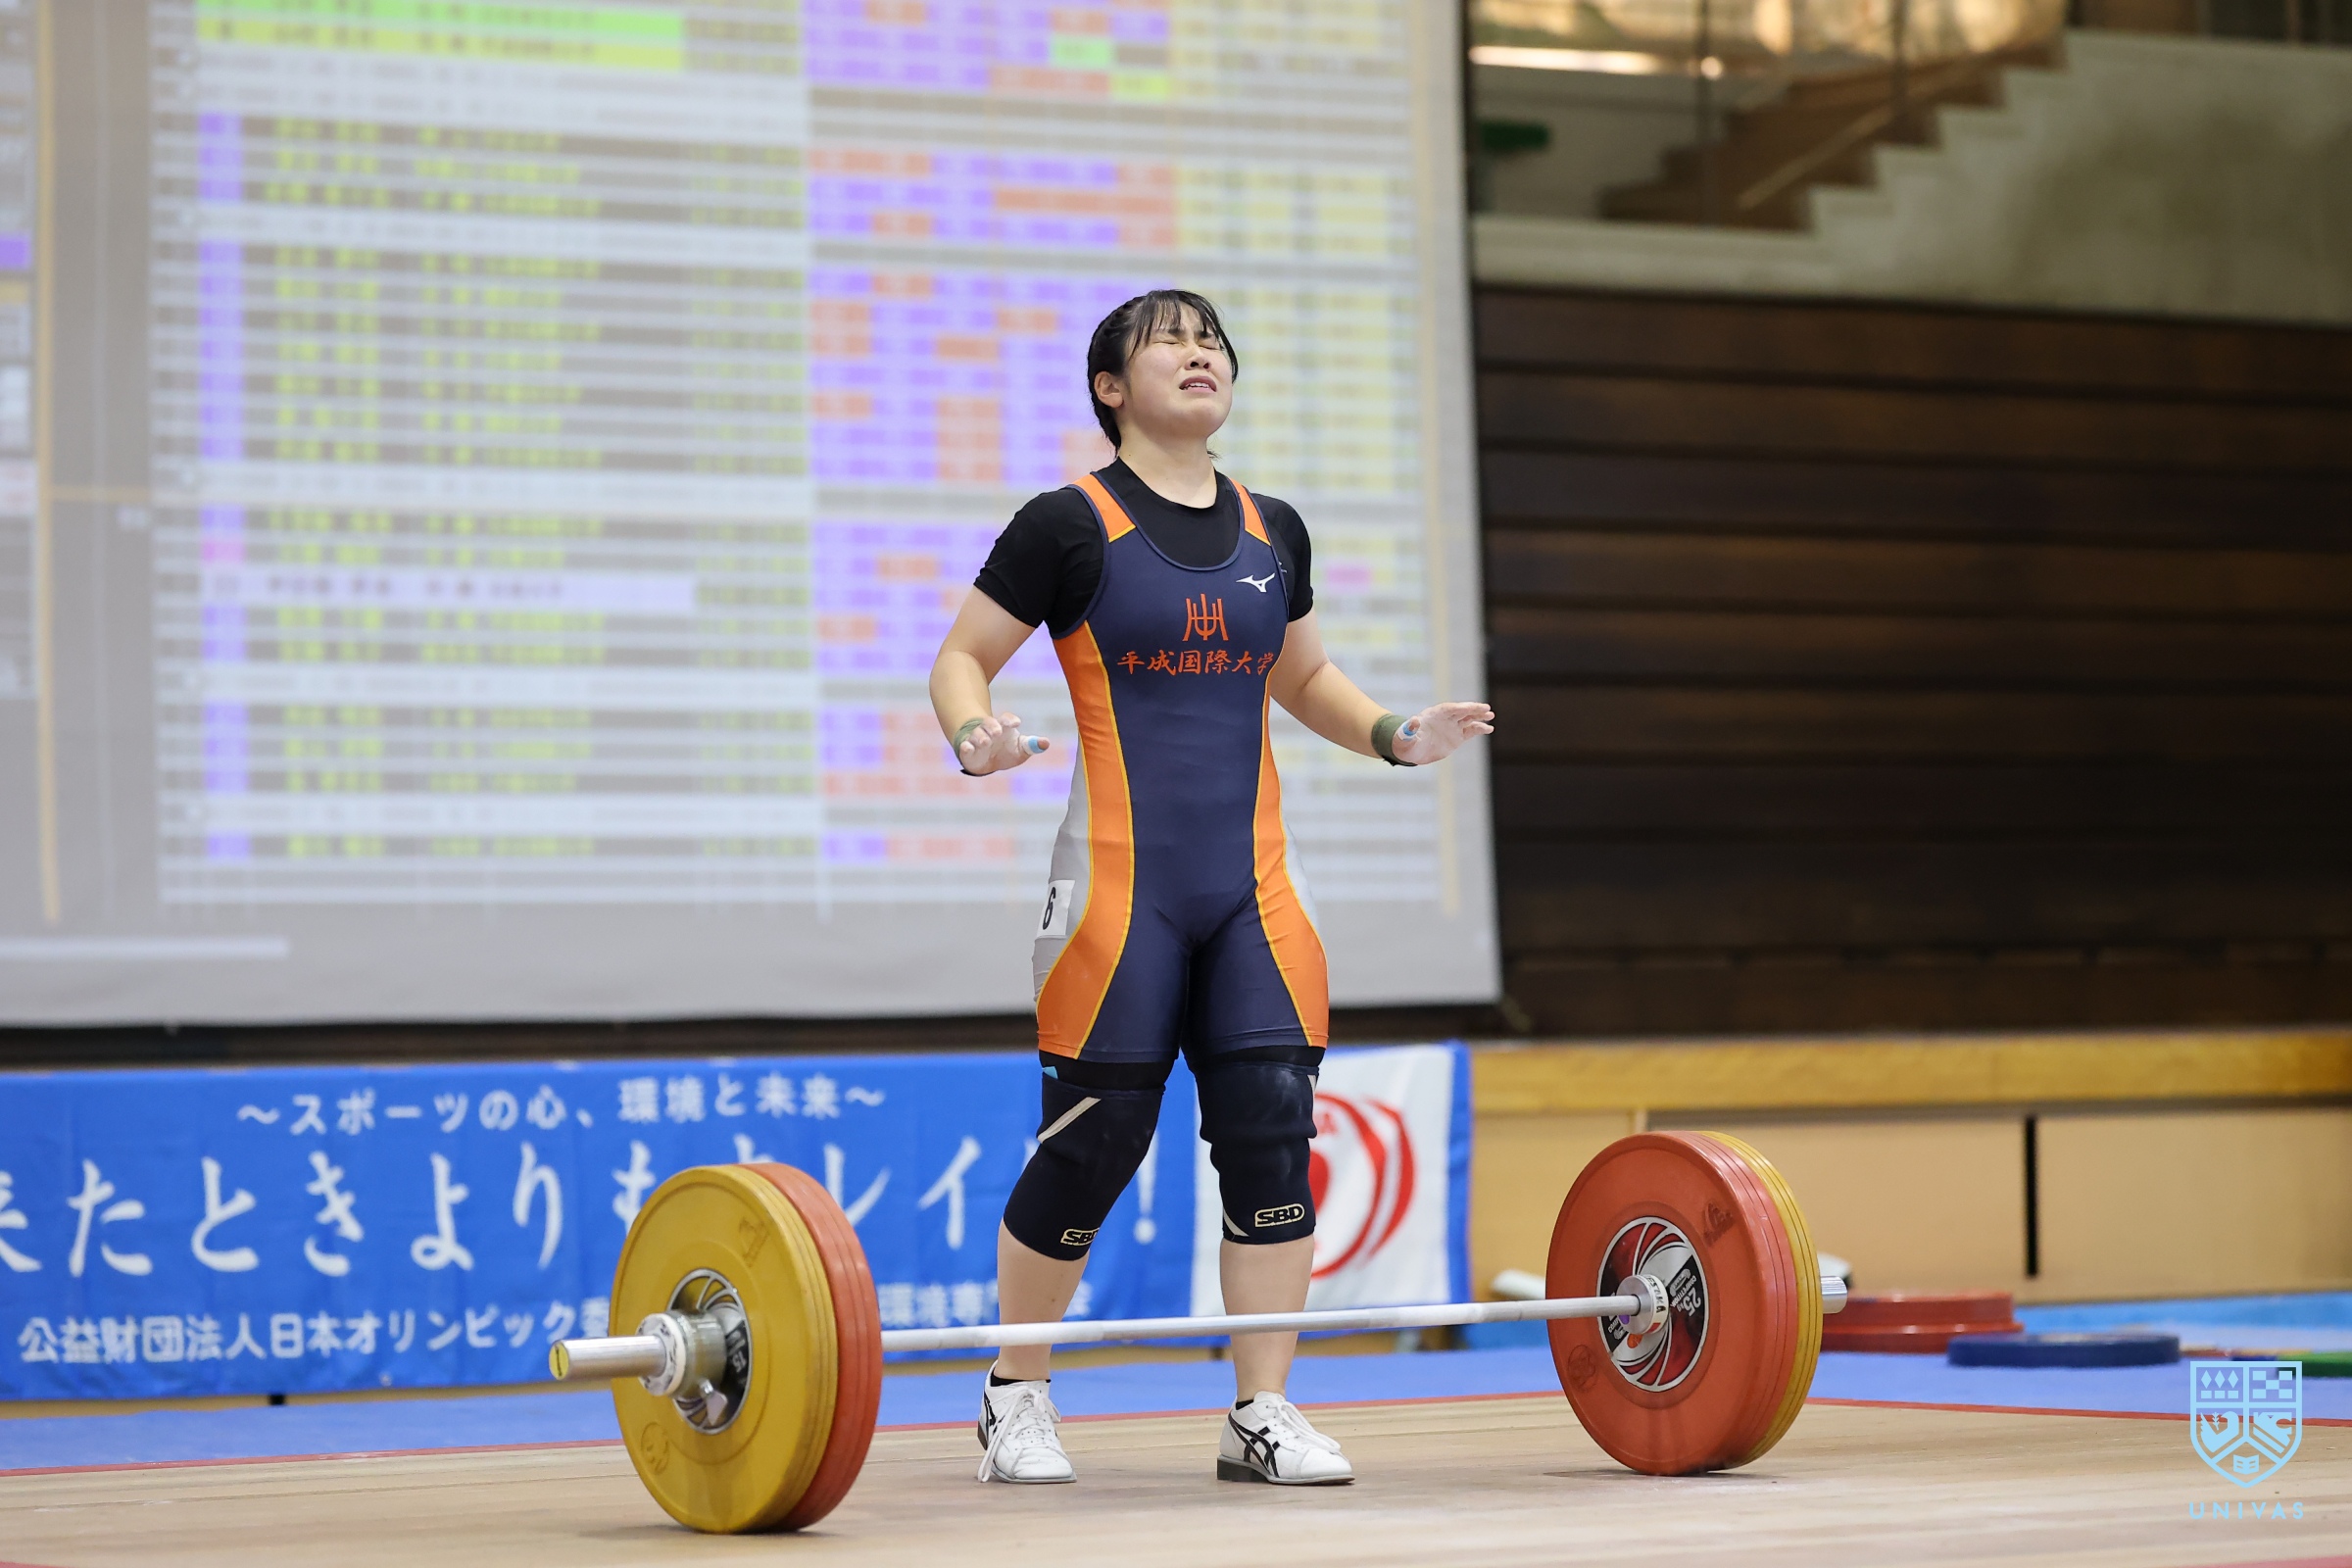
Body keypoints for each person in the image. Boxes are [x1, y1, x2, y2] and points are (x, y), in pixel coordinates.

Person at [927, 289, 1493, 1489]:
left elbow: (1306, 676)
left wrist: (1395, 734)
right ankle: (1015, 1391)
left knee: (1272, 1131)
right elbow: (963, 656)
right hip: (1119, 891)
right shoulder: (1066, 524)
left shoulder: (1271, 528)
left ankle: (1261, 1410)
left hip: (1252, 894)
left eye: (1213, 341)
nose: (1201, 355)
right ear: (1110, 388)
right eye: (1169, 341)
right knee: (1094, 1140)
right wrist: (975, 735)